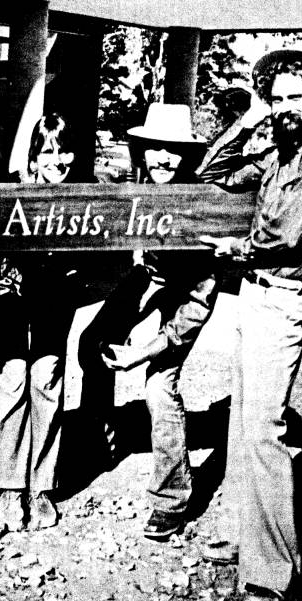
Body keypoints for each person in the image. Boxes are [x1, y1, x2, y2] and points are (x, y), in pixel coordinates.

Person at [199, 43, 302, 601]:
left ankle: (271, 576)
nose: (284, 106)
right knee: (243, 424)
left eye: (295, 96)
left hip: (285, 296)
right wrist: (247, 120)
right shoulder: (280, 151)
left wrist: (238, 248)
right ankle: (244, 539)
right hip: (255, 294)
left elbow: (291, 234)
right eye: (276, 97)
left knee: (264, 431)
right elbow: (213, 173)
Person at [79, 103, 218, 542]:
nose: (162, 158)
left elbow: (198, 302)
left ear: (187, 156)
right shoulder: (136, 185)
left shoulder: (200, 205)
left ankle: (171, 500)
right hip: (146, 280)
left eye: (173, 150)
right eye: (155, 147)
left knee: (159, 387)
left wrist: (144, 351)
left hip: (183, 297)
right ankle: (98, 440)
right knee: (92, 346)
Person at [0, 113, 82, 530]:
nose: (57, 161)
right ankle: (8, 484)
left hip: (55, 295)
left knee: (47, 377)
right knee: (11, 379)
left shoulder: (85, 196)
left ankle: (41, 484)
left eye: (64, 152)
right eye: (48, 152)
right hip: (10, 294)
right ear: (34, 157)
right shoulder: (13, 191)